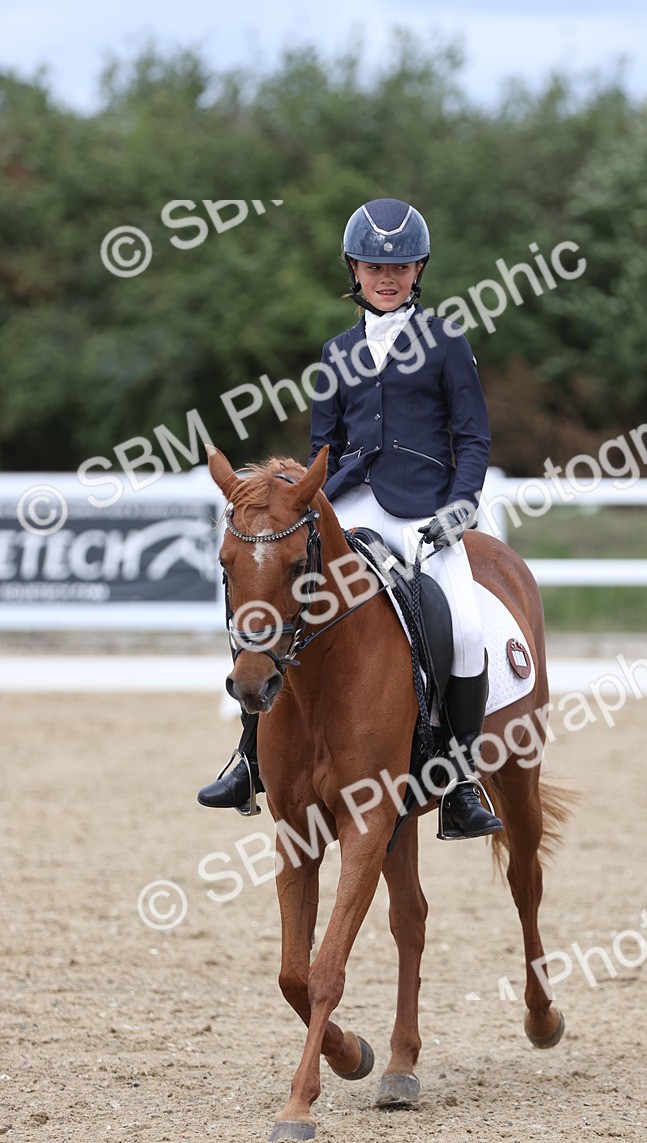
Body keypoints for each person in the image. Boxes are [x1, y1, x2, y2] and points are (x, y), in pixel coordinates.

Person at [198, 197, 502, 841]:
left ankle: (461, 782)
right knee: (273, 603)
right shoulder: (336, 351)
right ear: (354, 271)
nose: (386, 277)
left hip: (425, 512)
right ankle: (250, 756)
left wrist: (461, 505)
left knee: (468, 630)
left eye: (399, 266)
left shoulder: (446, 341)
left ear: (419, 270)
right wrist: (302, 503)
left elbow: (473, 438)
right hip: (344, 502)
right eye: (372, 266)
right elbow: (323, 446)